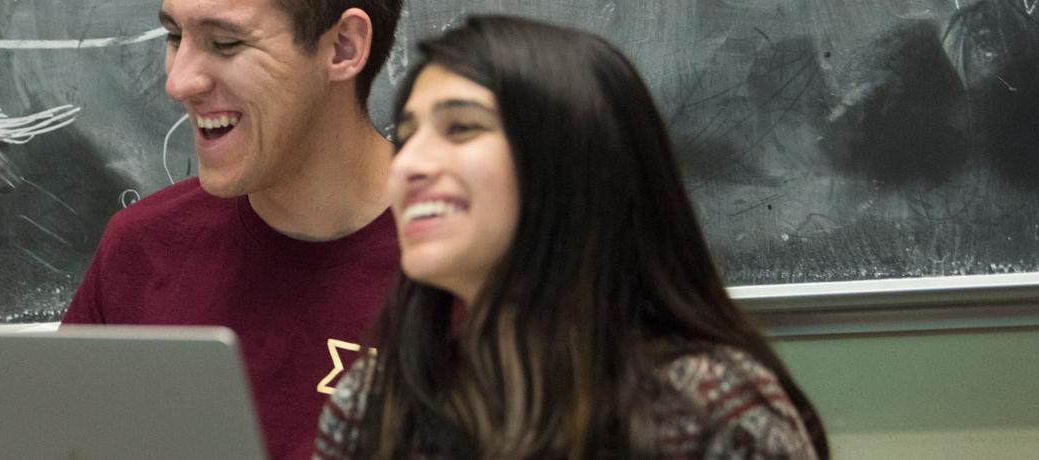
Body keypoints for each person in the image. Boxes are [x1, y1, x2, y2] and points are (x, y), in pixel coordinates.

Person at [314, 15, 829, 458]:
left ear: (568, 168)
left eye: (462, 128)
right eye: (406, 136)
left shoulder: (709, 408)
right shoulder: (376, 405)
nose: (410, 165)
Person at [59, 0, 404, 457]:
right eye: (175, 37)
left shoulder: (486, 267)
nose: (178, 82)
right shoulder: (141, 251)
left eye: (225, 43)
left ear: (342, 48)